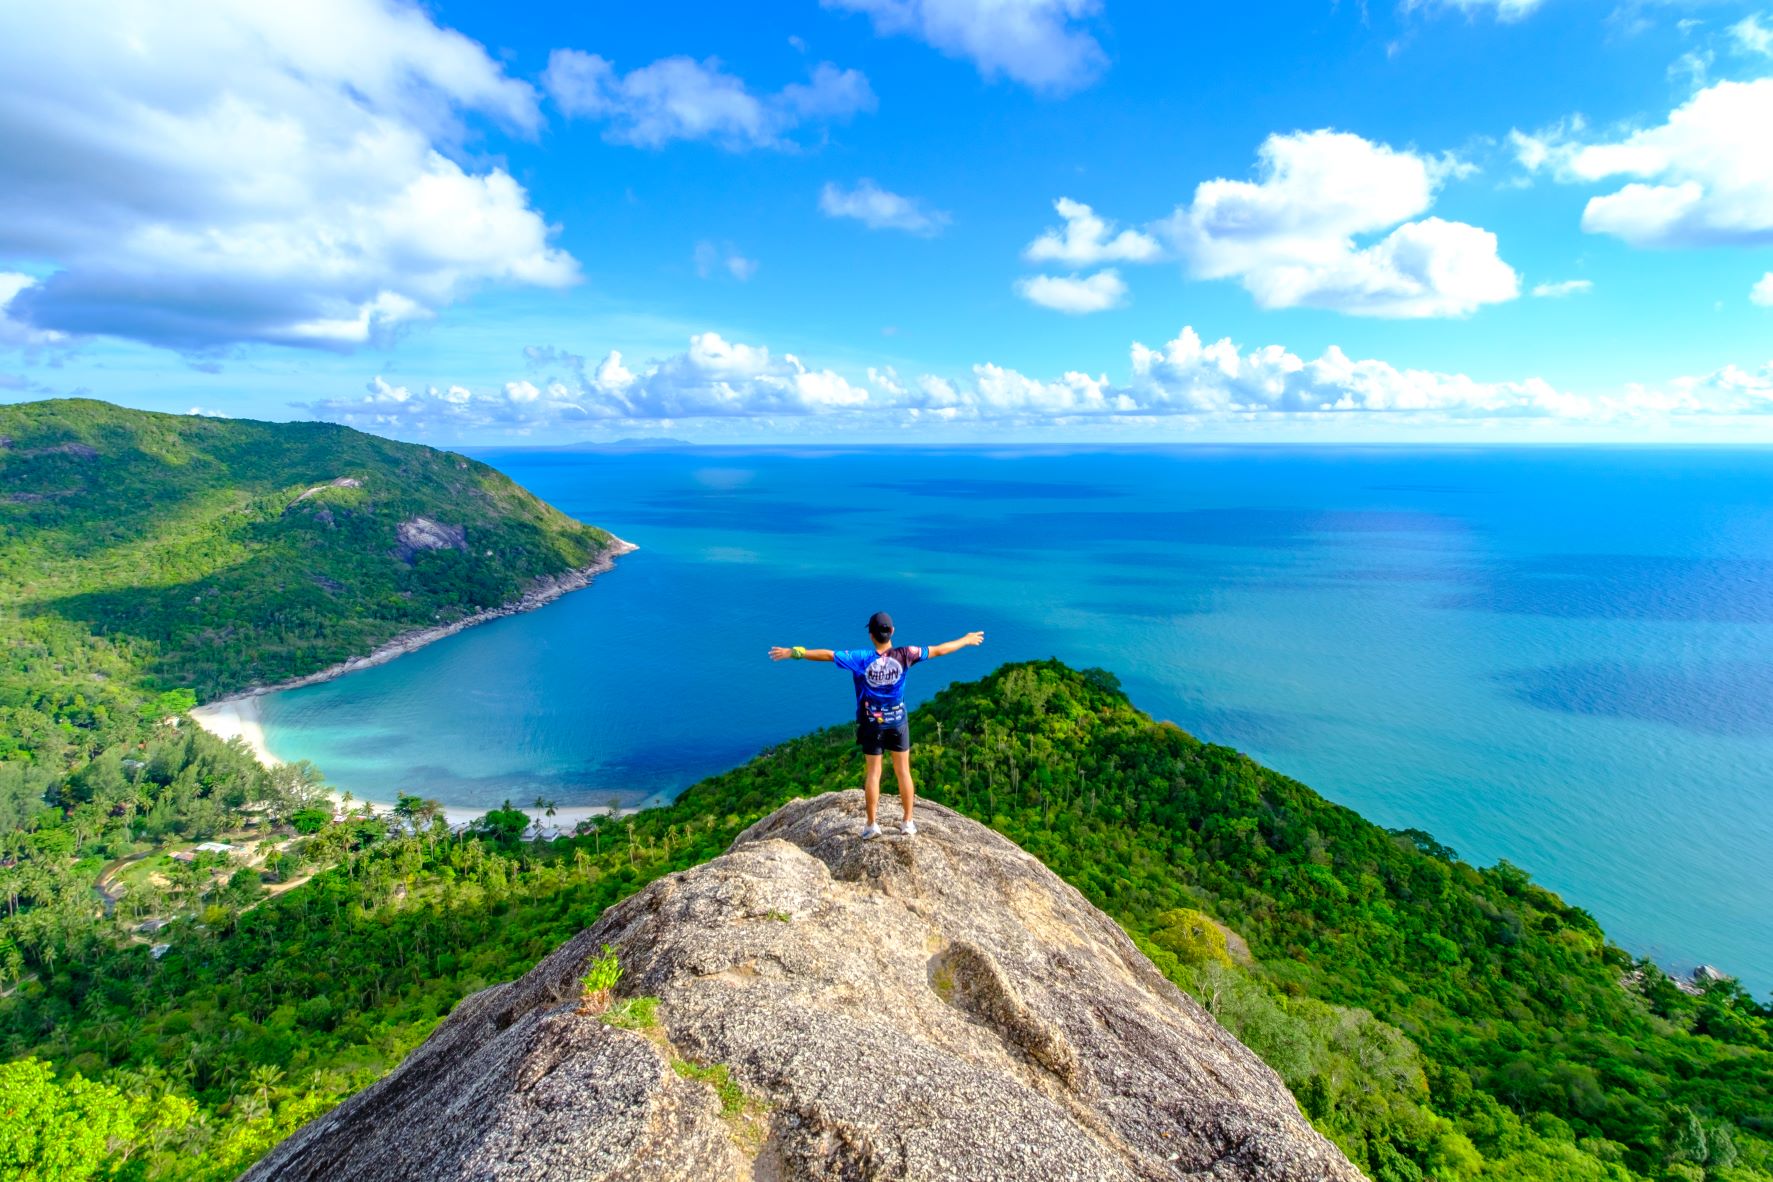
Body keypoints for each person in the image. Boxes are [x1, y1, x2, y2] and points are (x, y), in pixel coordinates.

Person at [769, 612, 984, 838]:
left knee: (874, 773)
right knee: (903, 772)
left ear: (871, 635)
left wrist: (794, 652)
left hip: (872, 722)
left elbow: (828, 655)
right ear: (892, 632)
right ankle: (908, 822)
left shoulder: (860, 658)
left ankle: (872, 825)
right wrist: (966, 639)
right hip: (897, 721)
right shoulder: (906, 654)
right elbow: (940, 649)